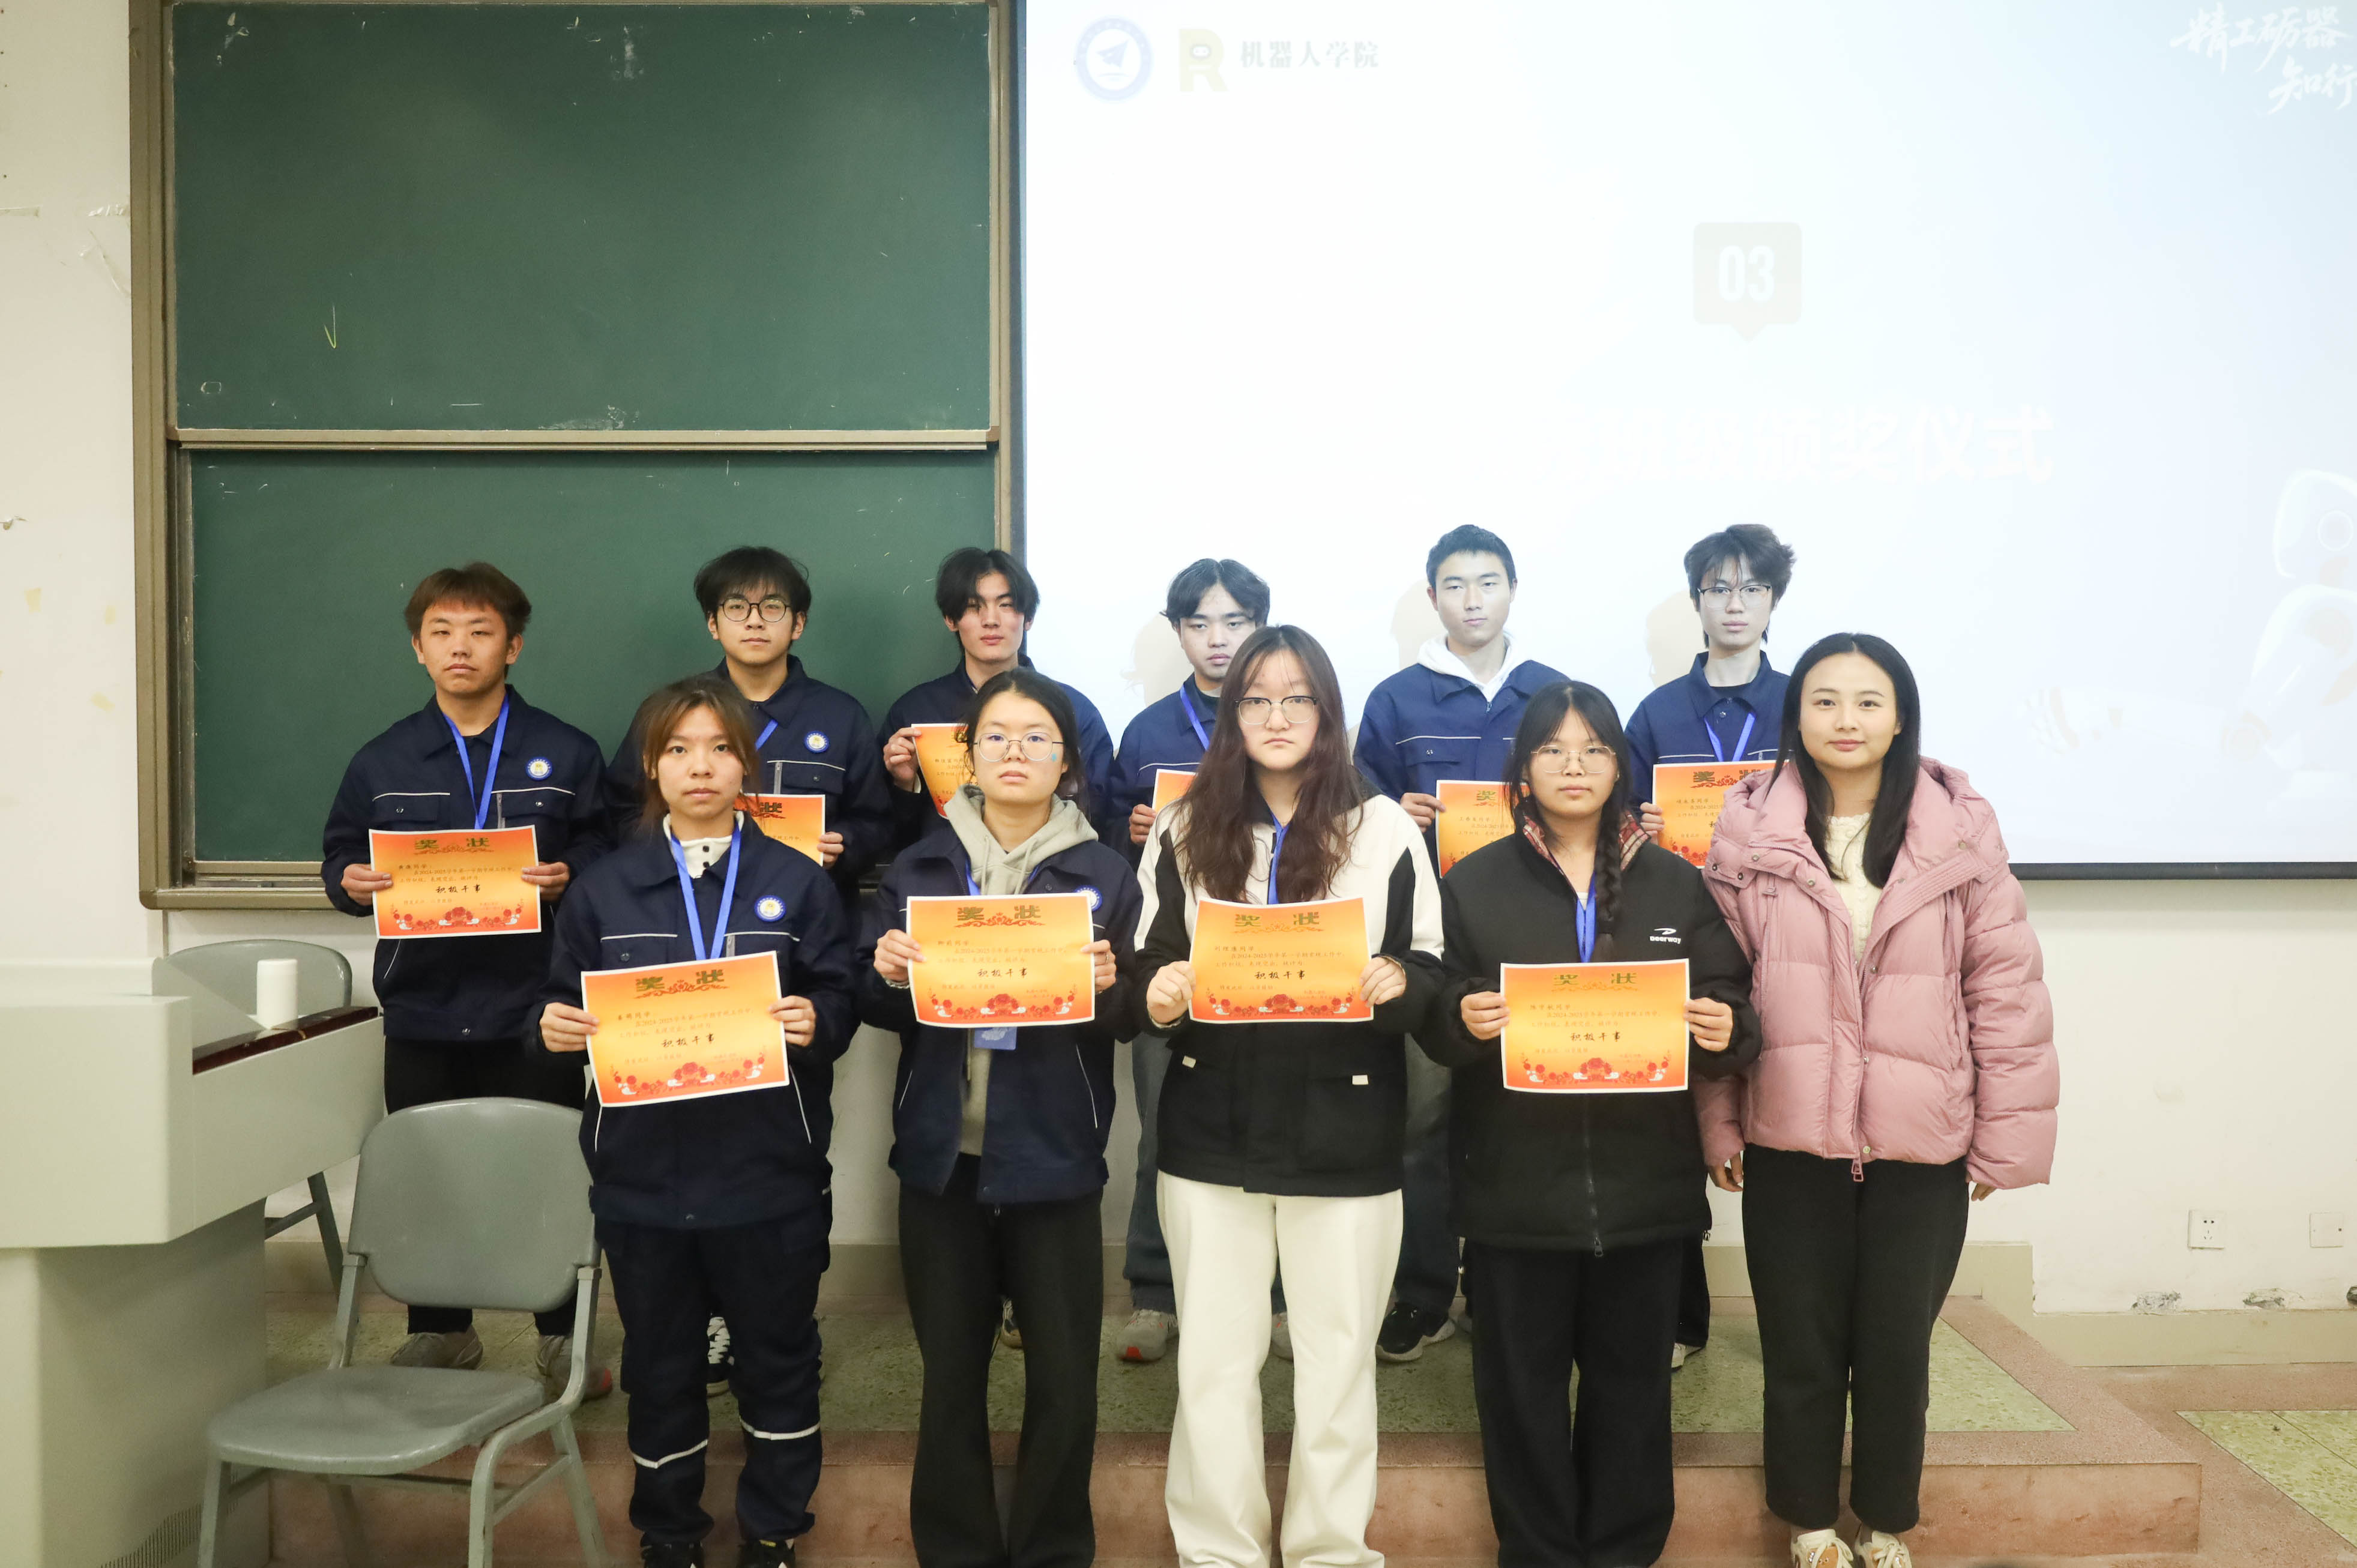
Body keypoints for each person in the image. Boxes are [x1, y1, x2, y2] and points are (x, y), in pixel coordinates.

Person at [1695, 634, 2057, 1568]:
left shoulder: (1958, 833)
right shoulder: (1747, 832)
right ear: (1795, 716)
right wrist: (1717, 1120)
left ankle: (1885, 1519)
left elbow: (2004, 990)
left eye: (1867, 701)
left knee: (1896, 1349)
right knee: (1800, 1347)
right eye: (1824, 700)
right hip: (1789, 1131)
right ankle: (1809, 1522)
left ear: (1900, 718)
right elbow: (1716, 990)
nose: (1845, 720)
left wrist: (2002, 1140)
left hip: (1920, 1139)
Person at [1427, 680, 1759, 1568]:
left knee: (1631, 1395)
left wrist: (1725, 1025)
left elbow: (1733, 1005)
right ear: (1522, 768)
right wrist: (1459, 1014)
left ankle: (1621, 1552)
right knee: (1518, 1396)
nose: (1572, 766)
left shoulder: (1676, 881)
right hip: (1512, 1192)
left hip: (1644, 1191)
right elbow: (1434, 1010)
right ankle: (1536, 1553)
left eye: (1592, 750)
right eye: (1551, 750)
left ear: (1619, 767)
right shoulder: (1474, 881)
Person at [1135, 625, 1444, 1568]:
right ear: (1231, 715)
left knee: (1338, 1358)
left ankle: (1329, 1550)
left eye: (1297, 698)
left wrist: (1400, 982)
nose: (1277, 717)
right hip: (1209, 1126)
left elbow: (1432, 967)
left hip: (1346, 1126)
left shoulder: (1384, 828)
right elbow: (1148, 957)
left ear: (1327, 713)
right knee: (1213, 1360)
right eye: (1257, 699)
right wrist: (1158, 993)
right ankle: (1216, 1552)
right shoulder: (1184, 827)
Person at [540, 676, 858, 1568]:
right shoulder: (603, 890)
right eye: (678, 749)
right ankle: (669, 1533)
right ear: (651, 766)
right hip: (643, 1179)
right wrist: (549, 1027)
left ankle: (774, 1529)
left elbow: (838, 994)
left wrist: (818, 1017)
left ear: (746, 764)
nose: (700, 766)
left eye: (720, 748)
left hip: (769, 1173)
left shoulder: (797, 882)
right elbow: (556, 1005)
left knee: (778, 1355)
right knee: (660, 1362)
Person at [858, 669, 1144, 1568]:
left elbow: (1133, 1014)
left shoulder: (1106, 872)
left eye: (1036, 738)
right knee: (949, 1375)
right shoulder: (919, 867)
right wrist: (885, 972)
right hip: (942, 1159)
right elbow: (875, 1004)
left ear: (1067, 762)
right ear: (967, 758)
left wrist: (1110, 987)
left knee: (1063, 1376)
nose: (1015, 752)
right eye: (995, 737)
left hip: (1053, 1155)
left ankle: (1052, 1548)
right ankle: (956, 1549)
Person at [319, 562, 611, 1392]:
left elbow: (605, 846)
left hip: (537, 1005)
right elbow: (339, 854)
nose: (460, 647)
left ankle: (562, 1334)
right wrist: (348, 881)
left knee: (550, 1171)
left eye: (480, 631)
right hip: (423, 1004)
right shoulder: (382, 758)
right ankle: (441, 1329)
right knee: (430, 1174)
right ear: (418, 649)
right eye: (441, 632)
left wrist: (570, 873)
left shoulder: (566, 751)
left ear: (511, 646)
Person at [1354, 525, 1567, 1363]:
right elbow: (1352, 817)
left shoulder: (1551, 694)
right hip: (1428, 936)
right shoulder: (1394, 699)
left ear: (1511, 589)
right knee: (1424, 1123)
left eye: (1487, 582)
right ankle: (1423, 1291)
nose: (1472, 599)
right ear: (1431, 596)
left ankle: (1506, 1289)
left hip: (1533, 932)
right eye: (1454, 584)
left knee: (1525, 1111)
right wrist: (1389, 814)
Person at [1625, 522, 1796, 1370]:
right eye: (1717, 588)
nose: (1734, 604)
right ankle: (1679, 1317)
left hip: (1788, 938)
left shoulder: (1803, 703)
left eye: (1750, 588)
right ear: (1696, 601)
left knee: (1792, 1122)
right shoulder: (1655, 713)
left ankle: (1797, 1322)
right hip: (1684, 937)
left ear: (1772, 600)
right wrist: (1643, 827)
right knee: (1675, 1124)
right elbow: (1616, 835)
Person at [1106, 558, 1270, 1363]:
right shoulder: (1146, 732)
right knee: (1161, 1128)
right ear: (1178, 632)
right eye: (1199, 623)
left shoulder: (1287, 718)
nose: (1217, 638)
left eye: (1234, 621)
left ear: (1259, 626)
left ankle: (1277, 1300)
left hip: (1274, 965)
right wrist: (1133, 831)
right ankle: (1153, 1293)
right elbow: (1106, 842)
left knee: (1275, 1125)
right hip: (1173, 958)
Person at [604, 545, 893, 897]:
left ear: (798, 624)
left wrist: (845, 844)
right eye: (737, 607)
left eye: (772, 607)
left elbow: (876, 821)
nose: (754, 621)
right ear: (713, 624)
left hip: (804, 901)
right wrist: (670, 850)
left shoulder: (841, 716)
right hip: (686, 899)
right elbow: (621, 809)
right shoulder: (670, 712)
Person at [879, 548, 1117, 852]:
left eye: (1006, 605)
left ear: (1028, 618)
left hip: (1051, 869)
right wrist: (904, 785)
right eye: (973, 607)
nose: (991, 620)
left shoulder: (1073, 710)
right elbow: (891, 836)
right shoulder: (914, 712)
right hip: (947, 873)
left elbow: (1099, 816)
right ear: (951, 619)